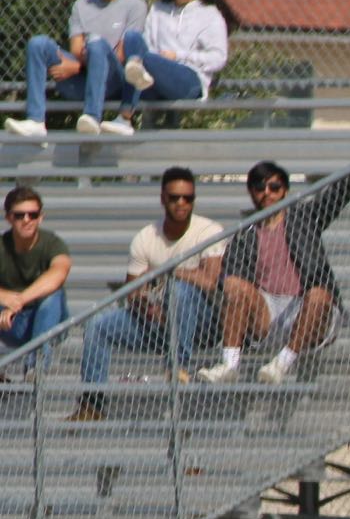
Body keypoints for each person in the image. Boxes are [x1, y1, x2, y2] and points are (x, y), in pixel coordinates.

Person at [204, 151, 350, 383]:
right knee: (234, 285)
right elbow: (230, 281)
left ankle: (282, 364)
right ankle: (228, 365)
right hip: (267, 310)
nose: (267, 192)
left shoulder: (304, 218)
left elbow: (335, 197)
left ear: (285, 191)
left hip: (307, 308)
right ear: (251, 193)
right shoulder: (243, 234)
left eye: (274, 186)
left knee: (319, 294)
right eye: (260, 187)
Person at [71, 167, 227, 420]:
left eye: (188, 198)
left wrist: (165, 271)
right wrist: (148, 309)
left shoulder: (208, 231)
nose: (181, 203)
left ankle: (178, 370)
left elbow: (209, 282)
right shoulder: (145, 237)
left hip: (204, 324)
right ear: (163, 198)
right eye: (175, 197)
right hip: (159, 322)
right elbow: (132, 291)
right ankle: (92, 404)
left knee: (179, 291)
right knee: (97, 325)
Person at [6, 0, 147, 139]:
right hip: (81, 81)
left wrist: (78, 66)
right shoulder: (82, 5)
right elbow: (75, 49)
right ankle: (36, 120)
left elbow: (123, 56)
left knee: (96, 43)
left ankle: (92, 116)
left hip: (114, 81)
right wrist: (79, 66)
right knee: (38, 44)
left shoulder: (136, 5)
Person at [122, 0, 235, 114]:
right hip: (154, 76)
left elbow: (218, 58)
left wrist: (178, 56)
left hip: (190, 80)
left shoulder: (209, 14)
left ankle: (125, 114)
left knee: (140, 59)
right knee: (131, 37)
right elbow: (148, 42)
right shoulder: (158, 10)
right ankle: (121, 117)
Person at [0, 185, 72, 368]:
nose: (27, 220)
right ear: (8, 217)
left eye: (32, 215)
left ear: (41, 217)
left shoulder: (53, 243)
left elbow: (59, 272)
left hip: (52, 321)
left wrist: (20, 300)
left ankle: (35, 370)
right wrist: (4, 297)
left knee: (53, 295)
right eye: (19, 215)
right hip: (12, 322)